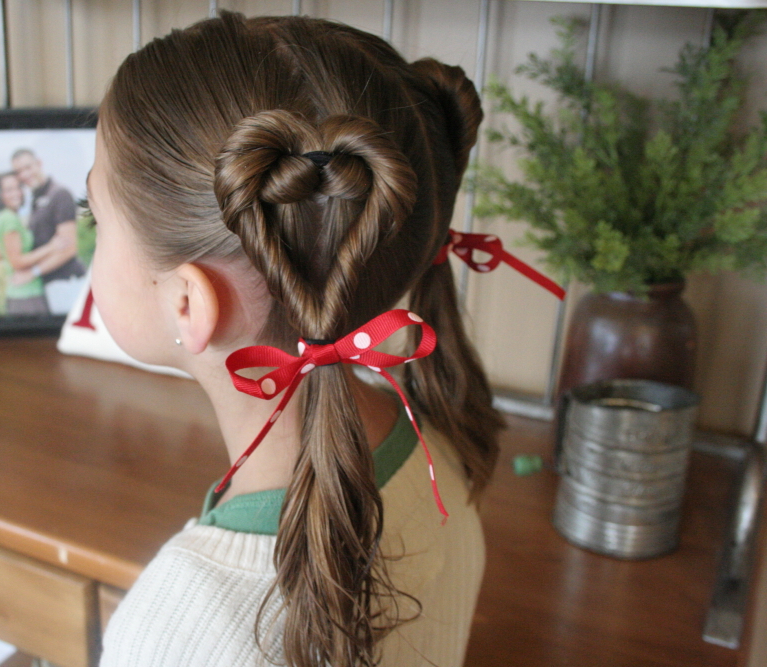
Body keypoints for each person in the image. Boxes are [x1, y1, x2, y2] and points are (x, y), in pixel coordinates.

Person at [86, 12, 504, 667]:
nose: (90, 239)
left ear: (189, 300)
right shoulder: (434, 452)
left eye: (95, 217)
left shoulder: (177, 634)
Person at [10, 148, 86, 313]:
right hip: (49, 285)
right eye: (18, 171)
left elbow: (69, 248)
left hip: (66, 282)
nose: (24, 174)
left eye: (27, 167)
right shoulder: (35, 199)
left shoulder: (60, 194)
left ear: (39, 164)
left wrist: (32, 273)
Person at [0, 171, 49, 315]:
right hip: (26, 297)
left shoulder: (5, 217)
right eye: (9, 190)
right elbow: (17, 261)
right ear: (0, 195)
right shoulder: (9, 219)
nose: (16, 193)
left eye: (18, 187)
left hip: (19, 295)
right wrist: (52, 247)